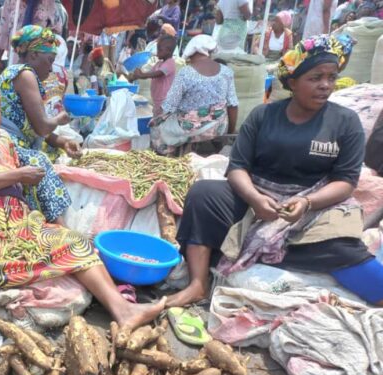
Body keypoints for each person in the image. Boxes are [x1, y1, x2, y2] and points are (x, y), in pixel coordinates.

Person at [0, 68, 167, 328]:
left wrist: (57, 146)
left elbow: (36, 161)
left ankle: (122, 309)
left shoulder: (5, 141)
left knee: (75, 243)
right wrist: (18, 175)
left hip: (17, 221)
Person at [168, 34, 383, 308]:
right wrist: (255, 200)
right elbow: (237, 167)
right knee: (203, 195)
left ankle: (292, 253)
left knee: (342, 248)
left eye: (331, 77)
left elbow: (346, 181)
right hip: (257, 198)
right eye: (315, 78)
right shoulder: (263, 115)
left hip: (315, 205)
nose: (325, 85)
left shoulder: (345, 122)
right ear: (292, 82)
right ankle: (198, 284)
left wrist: (306, 203)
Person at [0, 26, 81, 223]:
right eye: (50, 60)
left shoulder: (18, 72)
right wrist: (60, 119)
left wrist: (62, 142)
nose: (51, 68)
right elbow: (42, 127)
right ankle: (60, 228)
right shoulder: (24, 74)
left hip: (17, 139)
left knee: (53, 153)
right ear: (34, 54)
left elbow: (32, 127)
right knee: (40, 164)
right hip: (7, 143)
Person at [150, 35, 238, 154]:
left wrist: (156, 120)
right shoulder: (226, 71)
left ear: (192, 52)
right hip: (217, 128)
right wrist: (228, 133)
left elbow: (169, 106)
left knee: (157, 129)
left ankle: (166, 157)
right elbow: (233, 105)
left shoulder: (185, 72)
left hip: (190, 129)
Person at [0, 0, 59, 72]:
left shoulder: (49, 2)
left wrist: (49, 61)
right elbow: (4, 28)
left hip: (38, 57)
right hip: (15, 56)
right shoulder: (11, 2)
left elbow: (54, 29)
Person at [131, 35, 177, 117]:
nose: (157, 52)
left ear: (168, 51)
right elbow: (148, 73)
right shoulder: (159, 63)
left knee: (162, 121)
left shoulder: (170, 63)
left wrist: (141, 75)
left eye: (160, 50)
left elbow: (157, 74)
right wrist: (137, 74)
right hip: (157, 100)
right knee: (156, 119)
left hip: (165, 100)